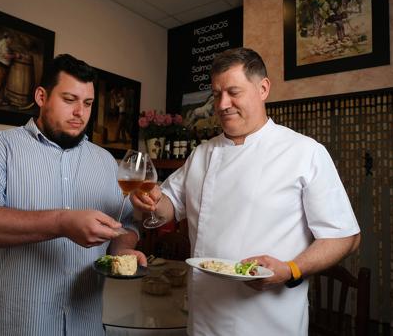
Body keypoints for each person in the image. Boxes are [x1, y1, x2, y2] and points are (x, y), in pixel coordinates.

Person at [130, 47, 360, 335]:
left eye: (233, 92)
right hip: (203, 319)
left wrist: (291, 269)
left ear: (263, 88)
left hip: (270, 321)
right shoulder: (202, 153)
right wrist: (151, 200)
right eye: (216, 94)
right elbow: (168, 207)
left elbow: (344, 237)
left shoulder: (305, 152)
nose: (223, 104)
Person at [0, 54, 146, 336]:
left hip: (86, 325)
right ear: (41, 96)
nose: (80, 112)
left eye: (87, 103)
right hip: (13, 326)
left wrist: (123, 249)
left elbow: (124, 223)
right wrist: (61, 223)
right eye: (69, 100)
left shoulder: (106, 162)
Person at [0, 32, 19, 105]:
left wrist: (12, 52)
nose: (11, 41)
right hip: (0, 65)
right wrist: (15, 56)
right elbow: (6, 56)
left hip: (2, 66)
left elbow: (7, 51)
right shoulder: (4, 44)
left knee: (1, 82)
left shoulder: (4, 43)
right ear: (7, 38)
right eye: (11, 39)